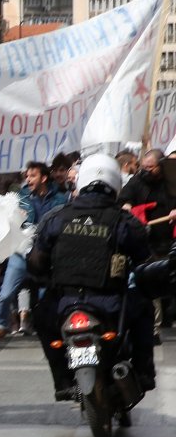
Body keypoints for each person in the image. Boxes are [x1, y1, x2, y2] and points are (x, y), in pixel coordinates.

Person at [28, 153, 155, 399]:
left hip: (64, 304)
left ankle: (63, 381)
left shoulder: (56, 218)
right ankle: (144, 372)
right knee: (144, 310)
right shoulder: (124, 221)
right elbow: (144, 260)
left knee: (41, 317)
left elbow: (36, 262)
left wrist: (41, 278)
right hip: (111, 304)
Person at [0, 161, 69, 344]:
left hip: (46, 253)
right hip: (21, 251)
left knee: (45, 295)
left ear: (43, 178)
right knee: (6, 293)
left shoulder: (61, 198)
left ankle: (49, 326)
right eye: (27, 176)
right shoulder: (20, 196)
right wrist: (14, 214)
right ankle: (1, 325)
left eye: (33, 176)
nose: (28, 179)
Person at [118, 148, 175, 345]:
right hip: (147, 241)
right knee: (151, 285)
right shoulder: (137, 180)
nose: (146, 171)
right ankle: (153, 328)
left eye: (150, 168)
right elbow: (124, 198)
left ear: (160, 167)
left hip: (170, 240)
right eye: (144, 167)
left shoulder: (171, 180)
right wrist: (126, 206)